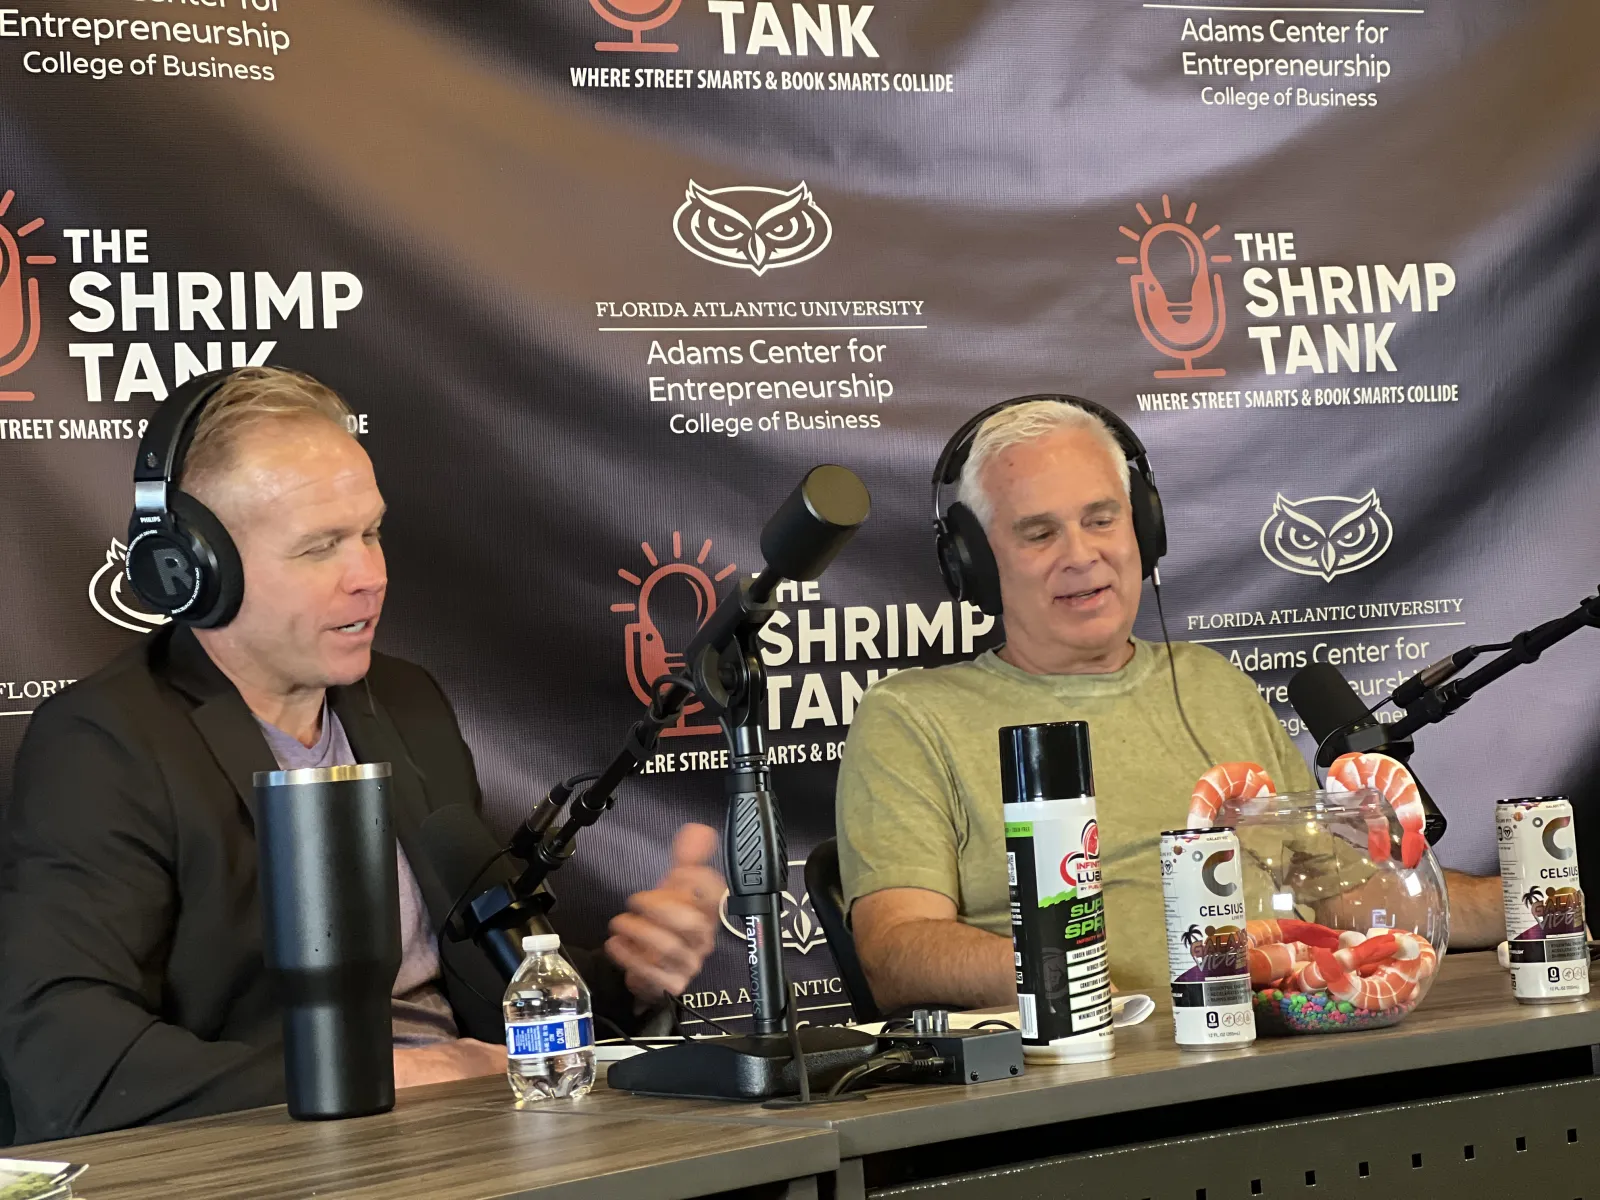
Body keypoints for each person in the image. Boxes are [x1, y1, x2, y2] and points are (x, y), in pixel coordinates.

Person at [0, 367, 724, 1143]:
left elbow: (487, 988)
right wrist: (386, 1077)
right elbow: (68, 1063)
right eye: (321, 548)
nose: (370, 578)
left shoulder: (406, 703)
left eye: (371, 533)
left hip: (482, 1139)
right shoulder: (108, 744)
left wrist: (625, 979)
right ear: (195, 566)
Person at [835, 396, 1503, 1014]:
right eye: (1039, 534)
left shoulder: (1210, 685)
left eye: (1101, 519)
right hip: (1085, 1082)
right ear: (974, 563)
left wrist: (1520, 903)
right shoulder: (913, 718)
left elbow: (1337, 892)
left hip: (1272, 1046)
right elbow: (897, 953)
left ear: (1143, 531)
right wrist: (1082, 980)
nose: (1081, 555)